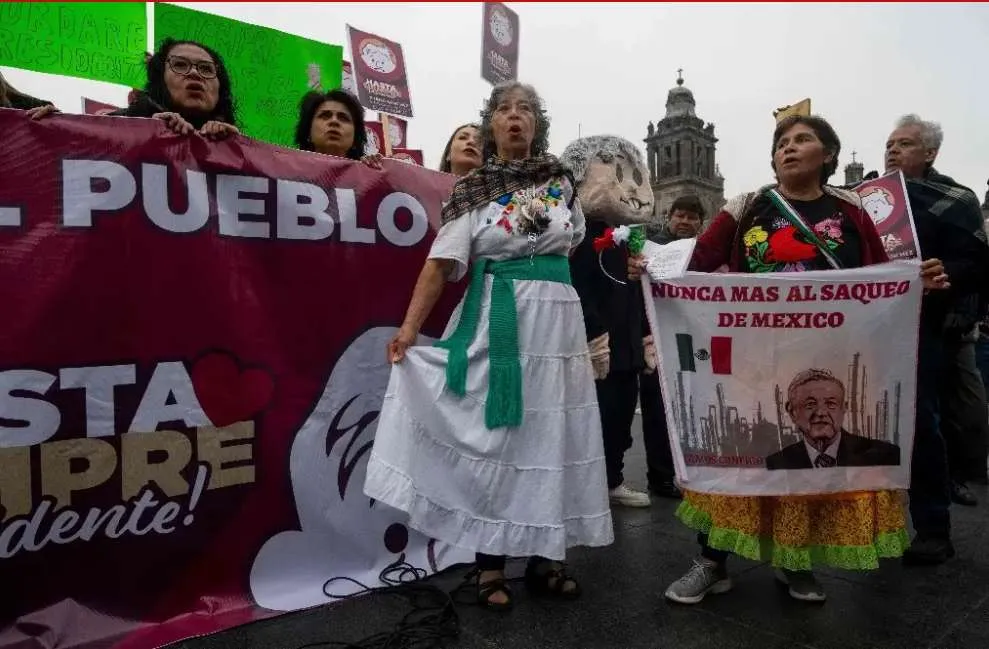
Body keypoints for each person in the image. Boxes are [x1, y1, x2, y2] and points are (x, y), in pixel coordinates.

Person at [629, 114, 947, 604]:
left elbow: (886, 274)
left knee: (807, 463)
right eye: (782, 142)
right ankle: (712, 560)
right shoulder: (747, 206)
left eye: (803, 140)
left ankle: (794, 562)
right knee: (742, 454)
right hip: (755, 359)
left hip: (828, 357)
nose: (789, 148)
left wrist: (916, 281)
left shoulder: (852, 209)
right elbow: (695, 260)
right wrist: (649, 267)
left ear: (828, 154)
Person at [363, 81, 613, 611]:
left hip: (558, 327)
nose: (515, 117)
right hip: (499, 318)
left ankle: (549, 558)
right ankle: (490, 564)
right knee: (497, 440)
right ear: (491, 123)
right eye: (504, 110)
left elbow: (571, 248)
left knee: (554, 434)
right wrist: (410, 329)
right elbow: (440, 264)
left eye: (525, 109)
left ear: (537, 123)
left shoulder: (562, 183)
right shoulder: (473, 191)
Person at [885, 115, 989, 547]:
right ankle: (875, 524)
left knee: (922, 423)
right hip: (873, 328)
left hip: (925, 328)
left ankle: (932, 529)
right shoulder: (870, 198)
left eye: (904, 144)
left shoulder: (954, 199)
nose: (892, 150)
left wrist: (946, 271)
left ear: (930, 153)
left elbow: (979, 262)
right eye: (889, 143)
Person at [562, 134, 680, 507]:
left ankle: (611, 478)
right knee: (594, 414)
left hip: (627, 340)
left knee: (621, 414)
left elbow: (637, 291)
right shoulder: (577, 234)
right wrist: (593, 331)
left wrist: (646, 336)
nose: (629, 186)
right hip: (597, 343)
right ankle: (585, 483)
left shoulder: (629, 237)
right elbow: (578, 286)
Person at [765, 369, 900, 471]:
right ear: (792, 412)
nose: (821, 412)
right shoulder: (776, 464)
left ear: (844, 409)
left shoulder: (886, 456)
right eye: (810, 404)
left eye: (831, 404)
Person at [109, 39, 239, 140]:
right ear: (160, 79)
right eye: (180, 65)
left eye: (206, 68)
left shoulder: (244, 155)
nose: (194, 73)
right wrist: (144, 126)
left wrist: (237, 150)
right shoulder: (112, 125)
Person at [295, 89, 367, 161]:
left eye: (343, 118)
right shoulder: (287, 168)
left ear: (355, 136)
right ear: (308, 130)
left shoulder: (368, 171)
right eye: (325, 116)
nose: (334, 121)